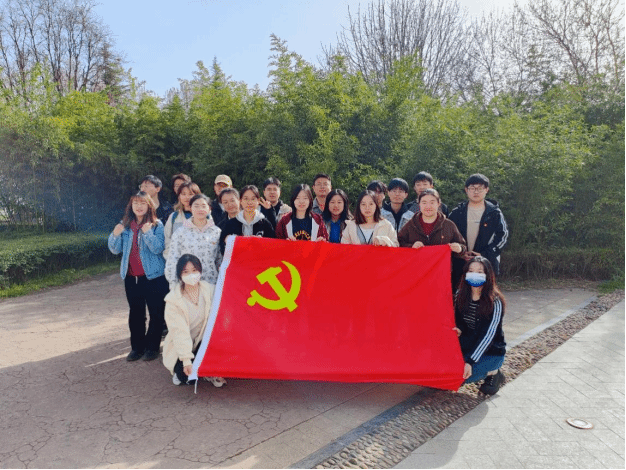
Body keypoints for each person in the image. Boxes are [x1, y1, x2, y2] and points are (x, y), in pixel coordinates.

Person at [108, 191, 169, 362]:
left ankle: (152, 348)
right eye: (136, 203)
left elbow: (158, 248)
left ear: (149, 206)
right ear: (131, 206)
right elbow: (114, 249)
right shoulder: (125, 225)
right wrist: (115, 235)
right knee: (136, 313)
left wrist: (148, 233)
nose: (139, 206)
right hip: (131, 277)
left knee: (156, 313)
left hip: (154, 277)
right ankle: (137, 348)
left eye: (142, 203)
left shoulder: (157, 225)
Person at [163, 254, 226, 388]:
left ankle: (209, 372)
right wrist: (186, 360)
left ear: (200, 271)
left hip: (204, 342)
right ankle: (197, 371)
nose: (191, 275)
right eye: (186, 272)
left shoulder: (210, 290)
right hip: (182, 347)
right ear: (180, 275)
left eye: (194, 270)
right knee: (187, 377)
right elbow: (179, 332)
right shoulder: (173, 300)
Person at [454, 256, 506, 395]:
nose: (474, 275)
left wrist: (470, 362)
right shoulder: (460, 294)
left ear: (488, 275)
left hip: (491, 350)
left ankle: (493, 372)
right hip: (467, 345)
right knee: (446, 373)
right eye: (471, 271)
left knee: (460, 378)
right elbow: (459, 321)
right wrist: (459, 329)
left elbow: (489, 336)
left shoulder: (495, 301)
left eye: (479, 272)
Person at [448, 173, 509, 290]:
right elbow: (447, 236)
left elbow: (503, 237)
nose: (476, 192)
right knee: (460, 296)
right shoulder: (457, 212)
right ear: (466, 190)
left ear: (487, 190)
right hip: (460, 264)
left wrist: (483, 254)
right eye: (472, 188)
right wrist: (460, 252)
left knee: (484, 296)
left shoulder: (494, 213)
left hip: (485, 264)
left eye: (480, 188)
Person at [165, 194, 222, 289]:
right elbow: (172, 260)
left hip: (211, 284)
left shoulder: (216, 232)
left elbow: (219, 260)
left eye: (203, 206)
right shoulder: (180, 232)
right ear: (190, 208)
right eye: (196, 206)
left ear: (209, 209)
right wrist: (174, 285)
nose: (200, 209)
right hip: (187, 285)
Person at [398, 188, 466, 257]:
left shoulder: (448, 225)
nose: (428, 206)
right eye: (424, 203)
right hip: (417, 263)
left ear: (438, 203)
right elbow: (399, 243)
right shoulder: (411, 224)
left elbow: (463, 247)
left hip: (441, 264)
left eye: (432, 202)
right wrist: (411, 246)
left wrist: (459, 249)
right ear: (419, 204)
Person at [219, 185, 276, 254]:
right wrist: (231, 241)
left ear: (258, 201)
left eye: (253, 199)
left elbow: (273, 246)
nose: (249, 202)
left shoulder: (265, 224)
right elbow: (222, 247)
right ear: (240, 201)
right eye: (246, 199)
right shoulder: (230, 224)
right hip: (238, 260)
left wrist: (261, 242)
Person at [163, 181, 201, 259]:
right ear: (179, 196)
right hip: (178, 262)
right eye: (183, 194)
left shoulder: (205, 215)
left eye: (190, 194)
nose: (187, 197)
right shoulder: (174, 217)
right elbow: (167, 241)